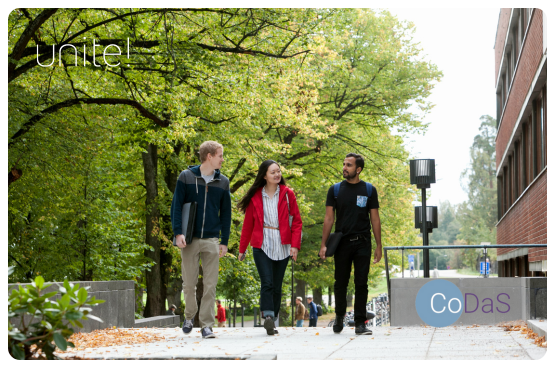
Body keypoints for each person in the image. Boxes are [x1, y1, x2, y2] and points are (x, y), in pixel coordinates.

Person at [171, 141, 231, 339]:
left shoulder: (223, 182)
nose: (222, 159)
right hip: (189, 239)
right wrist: (178, 232)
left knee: (210, 285)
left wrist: (224, 241)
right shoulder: (186, 177)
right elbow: (177, 206)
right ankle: (189, 316)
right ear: (209, 156)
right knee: (189, 284)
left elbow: (226, 214)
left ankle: (206, 325)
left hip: (212, 239)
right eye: (220, 155)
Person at [319, 153, 382, 336]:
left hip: (363, 242)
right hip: (342, 243)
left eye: (349, 165)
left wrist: (378, 245)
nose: (345, 168)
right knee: (341, 283)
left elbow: (375, 219)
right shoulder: (335, 190)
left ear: (358, 169)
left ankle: (360, 323)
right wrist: (323, 244)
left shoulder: (369, 190)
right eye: (344, 164)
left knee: (361, 283)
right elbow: (329, 218)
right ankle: (339, 317)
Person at [238, 160, 302, 336]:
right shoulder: (256, 196)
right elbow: (248, 225)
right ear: (264, 175)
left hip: (283, 245)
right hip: (262, 244)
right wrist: (242, 249)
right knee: (267, 282)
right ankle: (267, 316)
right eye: (273, 172)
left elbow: (296, 221)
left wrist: (295, 246)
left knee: (277, 285)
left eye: (278, 171)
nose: (277, 174)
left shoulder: (288, 194)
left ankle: (272, 321)